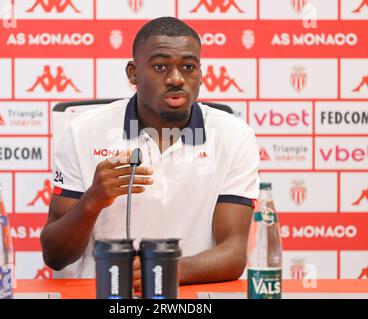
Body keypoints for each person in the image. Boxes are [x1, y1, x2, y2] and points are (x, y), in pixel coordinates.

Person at [41, 17, 260, 290]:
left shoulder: (234, 136)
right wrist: (92, 200)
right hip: (107, 294)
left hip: (188, 295)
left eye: (189, 67)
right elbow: (55, 255)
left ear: (201, 73)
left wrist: (165, 270)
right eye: (160, 66)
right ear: (133, 73)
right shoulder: (83, 131)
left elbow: (234, 251)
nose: (176, 79)